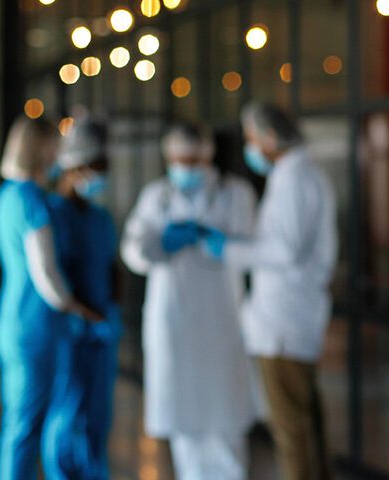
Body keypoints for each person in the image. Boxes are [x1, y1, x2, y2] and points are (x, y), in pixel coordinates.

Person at [203, 102, 337, 480]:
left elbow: (285, 250)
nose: (250, 147)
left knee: (291, 427)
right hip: (292, 317)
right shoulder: (297, 175)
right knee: (305, 421)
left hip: (284, 323)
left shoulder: (295, 179)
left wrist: (228, 249)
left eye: (252, 138)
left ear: (271, 137)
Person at [120, 122, 257, 480]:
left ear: (208, 156)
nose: (187, 167)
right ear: (168, 158)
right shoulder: (156, 196)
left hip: (221, 320)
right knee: (184, 430)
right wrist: (161, 244)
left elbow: (254, 252)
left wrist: (224, 245)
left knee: (224, 425)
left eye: (194, 159)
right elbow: (133, 251)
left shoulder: (235, 193)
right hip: (173, 321)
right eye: (180, 159)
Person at [0, 117, 102, 480]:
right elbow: (46, 273)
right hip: (35, 327)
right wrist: (75, 305)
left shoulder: (7, 195)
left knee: (21, 422)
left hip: (14, 319)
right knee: (26, 427)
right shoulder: (32, 200)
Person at [41, 118, 121, 480]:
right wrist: (86, 316)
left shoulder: (100, 218)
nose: (101, 176)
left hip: (101, 332)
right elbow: (57, 276)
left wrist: (111, 313)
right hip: (71, 333)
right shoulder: (53, 215)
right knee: (66, 415)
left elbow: (111, 265)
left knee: (97, 417)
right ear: (75, 166)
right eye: (97, 168)